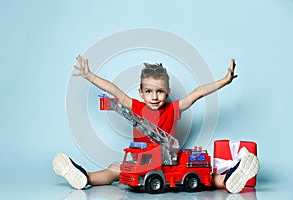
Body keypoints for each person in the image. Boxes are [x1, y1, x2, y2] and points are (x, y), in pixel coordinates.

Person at [53, 55, 259, 193]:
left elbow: (198, 93)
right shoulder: (136, 108)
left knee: (115, 170)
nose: (154, 97)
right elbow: (113, 89)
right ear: (141, 93)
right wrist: (89, 76)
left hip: (162, 164)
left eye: (159, 91)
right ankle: (83, 176)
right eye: (149, 92)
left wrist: (224, 80)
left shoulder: (172, 108)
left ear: (167, 93)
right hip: (142, 163)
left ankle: (231, 179)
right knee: (115, 169)